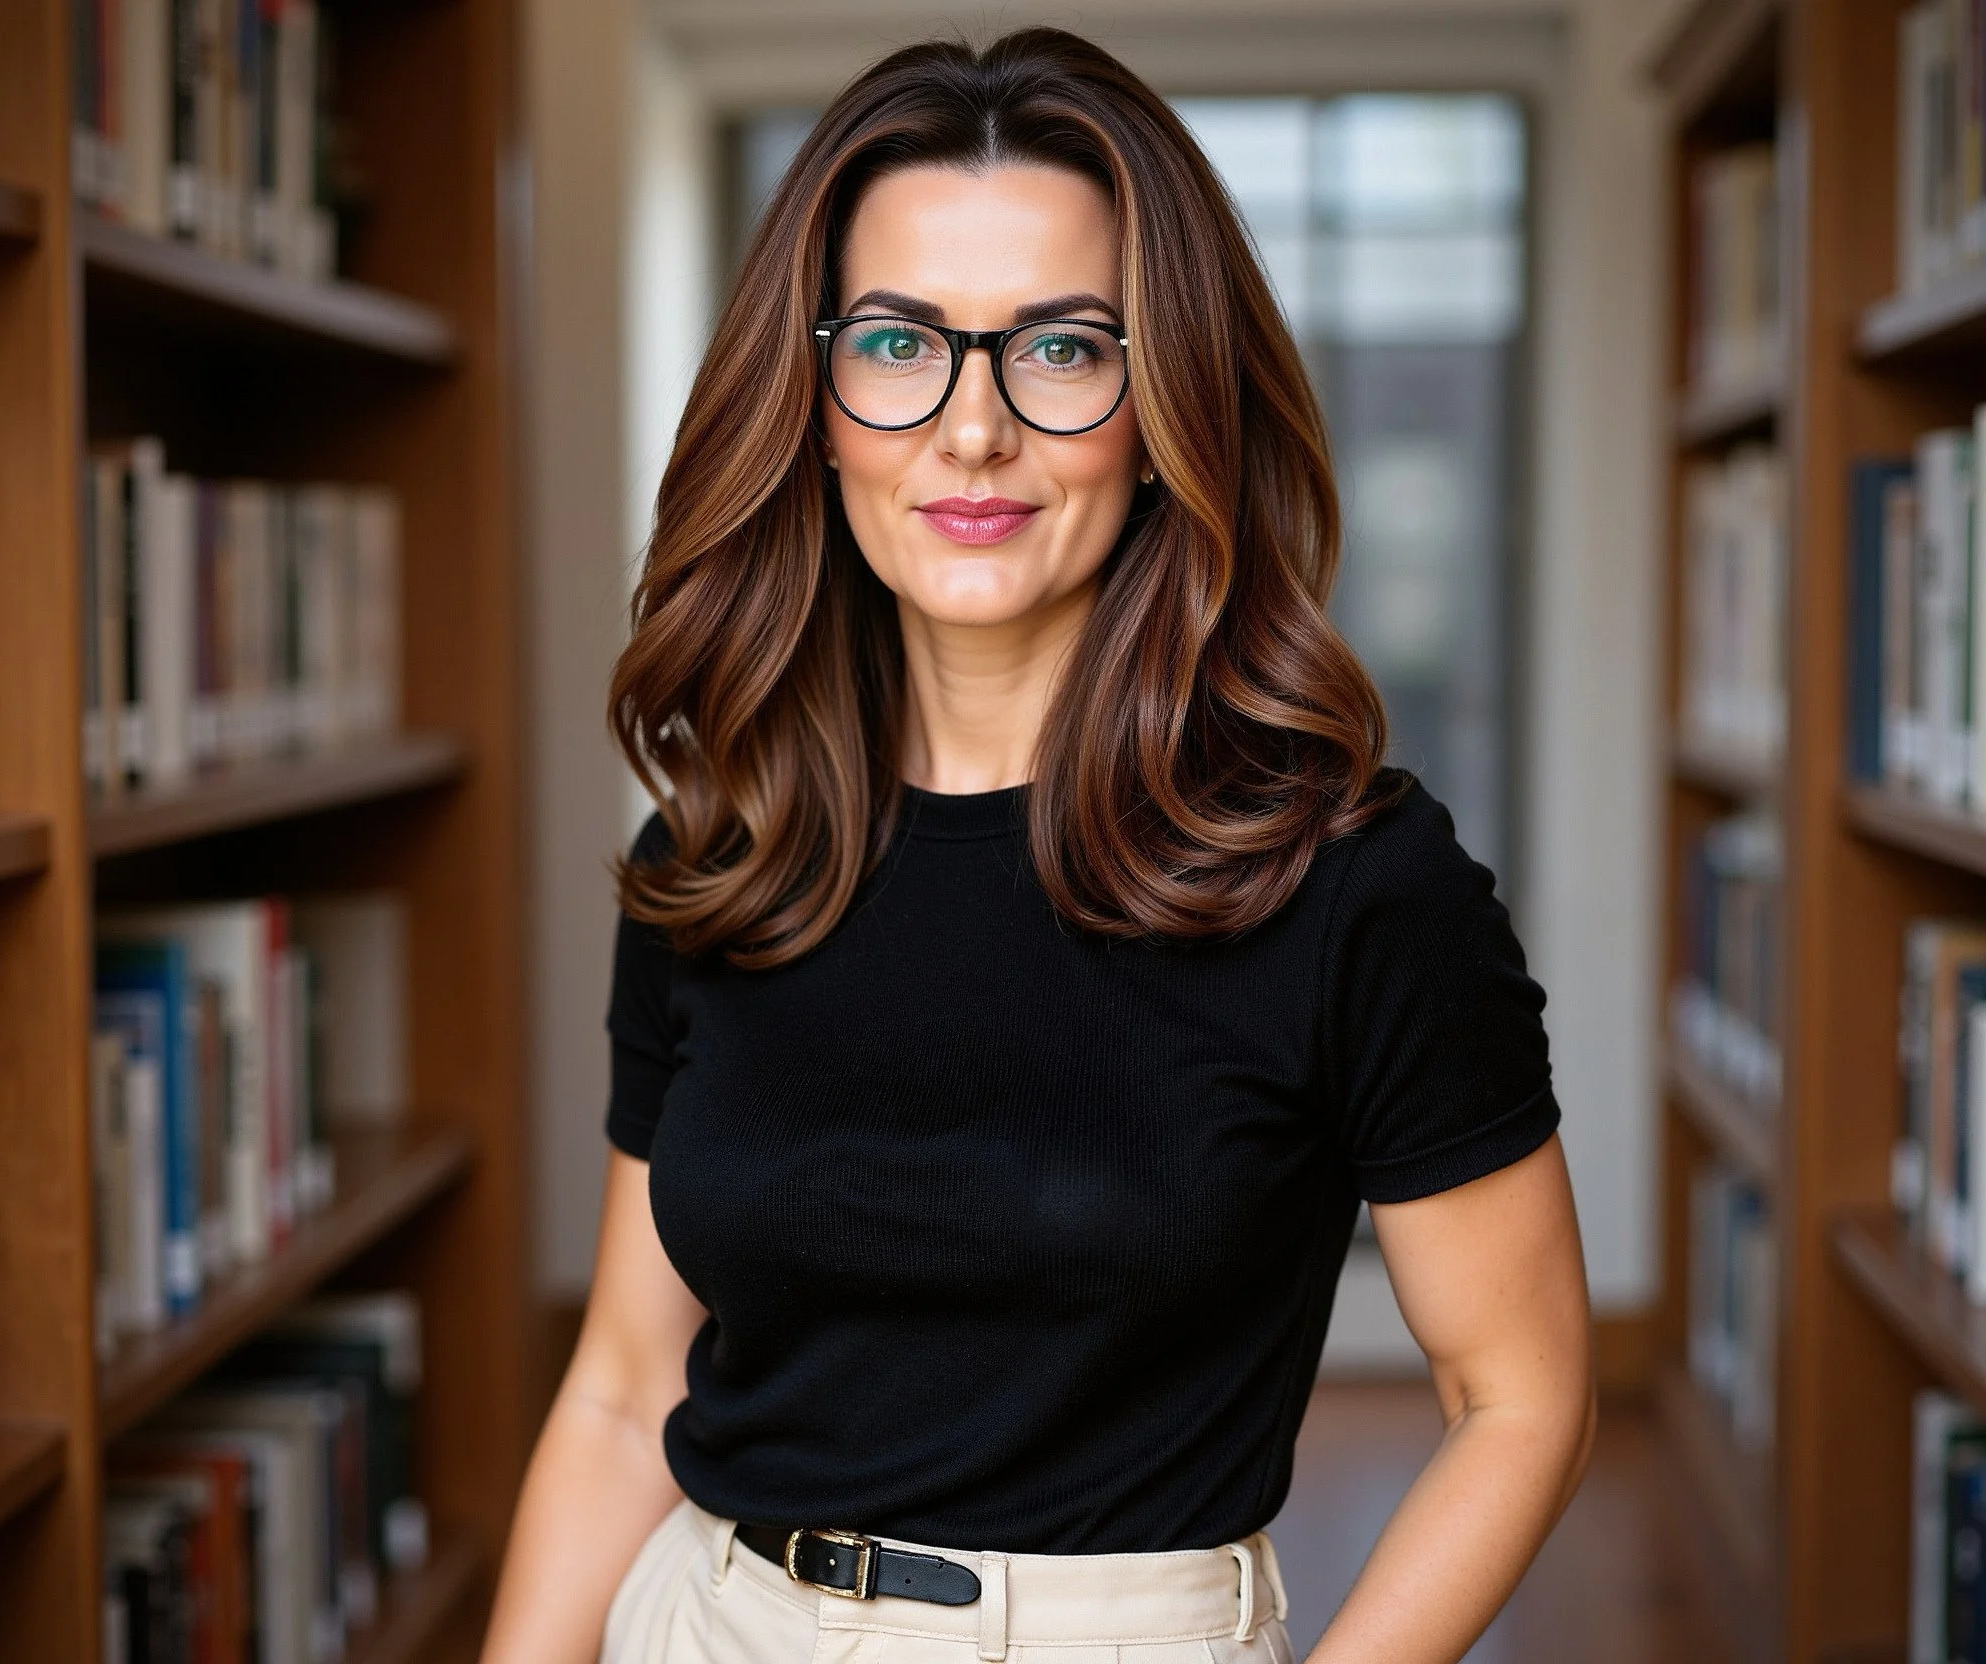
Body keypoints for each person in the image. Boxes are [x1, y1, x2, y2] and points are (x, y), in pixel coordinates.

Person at [482, 28, 1594, 1664]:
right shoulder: (723, 847)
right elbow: (623, 1385)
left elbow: (1523, 1396)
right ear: (817, 401)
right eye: (896, 343)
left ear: (1165, 407)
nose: (973, 430)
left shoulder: (1351, 880)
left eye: (1062, 350)